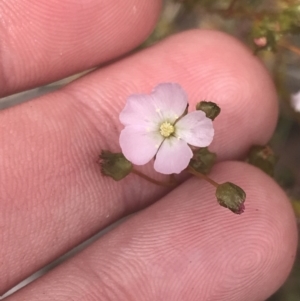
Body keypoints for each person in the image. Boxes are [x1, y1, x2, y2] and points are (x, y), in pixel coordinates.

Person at [0, 1, 297, 300]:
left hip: (182, 146)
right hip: (171, 150)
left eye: (171, 126)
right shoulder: (158, 145)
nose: (167, 128)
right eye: (167, 127)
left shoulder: (194, 132)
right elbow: (155, 142)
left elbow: (189, 145)